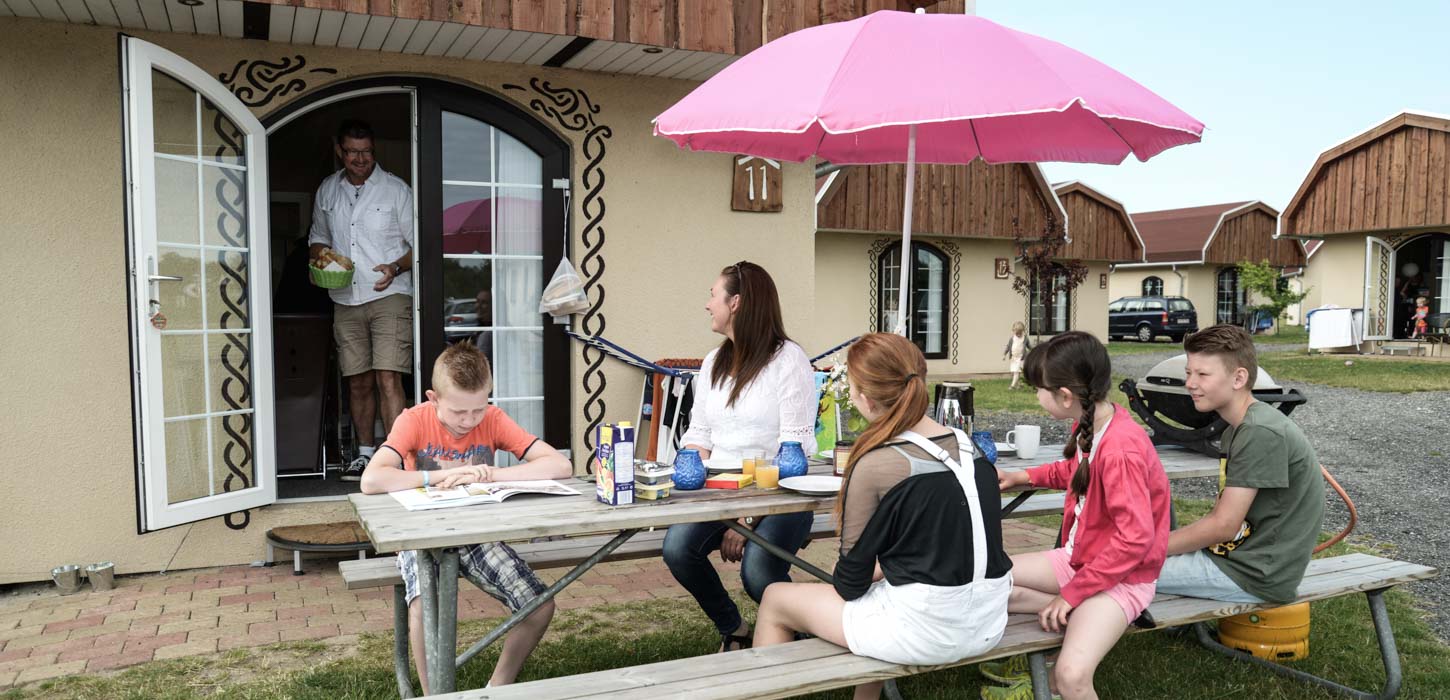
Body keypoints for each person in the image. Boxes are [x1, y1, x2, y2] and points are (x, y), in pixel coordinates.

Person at [753, 333, 1012, 700]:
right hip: (986, 621)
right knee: (882, 594)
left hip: (924, 631)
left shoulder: (876, 463)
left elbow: (849, 583)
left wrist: (876, 568)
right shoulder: (973, 450)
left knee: (776, 597)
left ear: (863, 397)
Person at [360, 341, 570, 692]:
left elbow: (560, 465)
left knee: (538, 606)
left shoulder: (494, 418)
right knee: (425, 607)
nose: (469, 421)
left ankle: (497, 688)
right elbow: (372, 479)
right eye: (458, 412)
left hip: (477, 533)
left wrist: (491, 474)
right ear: (433, 397)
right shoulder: (413, 420)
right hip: (421, 532)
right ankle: (434, 695)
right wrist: (437, 477)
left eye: (478, 409)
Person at [984, 331, 1171, 700]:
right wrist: (1024, 476)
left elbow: (1135, 539)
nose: (1036, 396)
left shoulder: (1121, 449)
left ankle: (1081, 613)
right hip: (1079, 560)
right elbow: (1077, 471)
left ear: (1065, 396)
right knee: (983, 580)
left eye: (1038, 389)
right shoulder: (1094, 422)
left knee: (1071, 677)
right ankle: (1082, 614)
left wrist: (1072, 594)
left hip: (1123, 578)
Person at [663, 261, 819, 653]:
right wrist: (681, 484)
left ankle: (813, 634)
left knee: (758, 572)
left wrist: (747, 519)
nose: (707, 304)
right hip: (718, 492)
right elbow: (697, 437)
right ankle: (735, 627)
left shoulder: (789, 360)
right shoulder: (714, 362)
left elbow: (792, 454)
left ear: (736, 302)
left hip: (781, 497)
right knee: (677, 549)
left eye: (713, 294)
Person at [1155, 324, 1324, 605]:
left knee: (1108, 569)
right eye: (1188, 373)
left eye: (1202, 374)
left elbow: (1223, 526)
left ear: (1238, 378)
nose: (1190, 383)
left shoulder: (1259, 431)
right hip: (1235, 560)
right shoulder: (1241, 427)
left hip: (1252, 576)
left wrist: (1148, 549)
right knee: (1106, 564)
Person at [309, 119, 415, 481]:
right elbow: (318, 238)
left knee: (388, 376)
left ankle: (396, 454)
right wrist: (323, 258)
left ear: (374, 150)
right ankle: (365, 455)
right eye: (353, 151)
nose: (360, 158)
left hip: (390, 294)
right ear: (340, 150)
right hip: (344, 296)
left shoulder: (396, 190)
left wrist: (397, 268)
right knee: (357, 380)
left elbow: (420, 246)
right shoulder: (328, 190)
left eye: (367, 151)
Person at [1002, 321, 1031, 390]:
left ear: (1023, 331)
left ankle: (1012, 386)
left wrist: (1034, 351)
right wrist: (1004, 354)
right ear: (1013, 331)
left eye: (1020, 333)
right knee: (1014, 371)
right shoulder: (1012, 339)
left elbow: (1029, 346)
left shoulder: (1025, 338)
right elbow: (1008, 347)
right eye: (1017, 333)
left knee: (1016, 371)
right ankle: (1018, 385)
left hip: (1021, 358)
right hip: (1014, 358)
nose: (1018, 335)